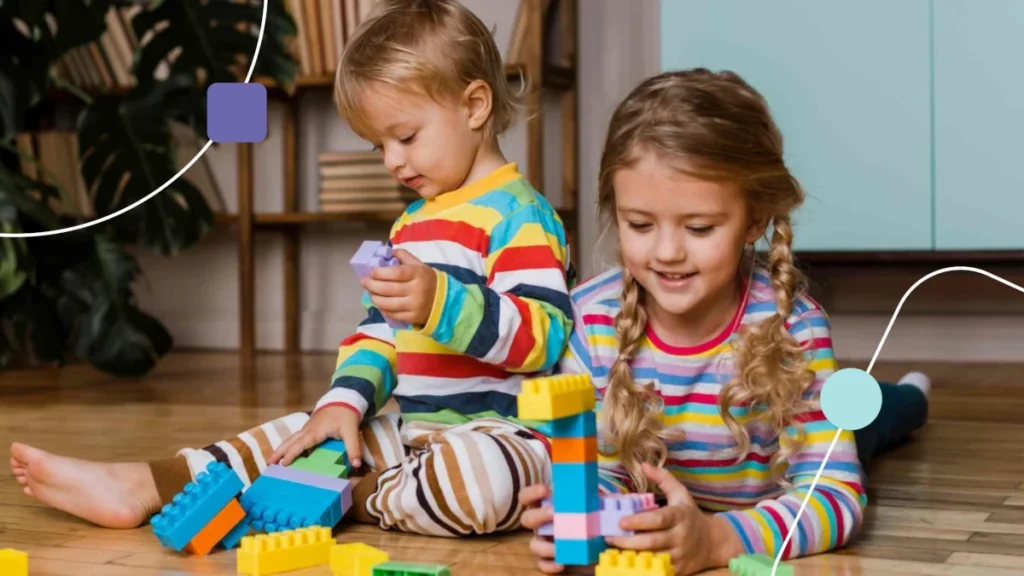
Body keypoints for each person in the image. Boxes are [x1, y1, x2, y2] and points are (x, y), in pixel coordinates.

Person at [10, 0, 573, 538]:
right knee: (297, 435)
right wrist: (341, 404)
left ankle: (350, 494)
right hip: (414, 433)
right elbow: (379, 334)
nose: (393, 161)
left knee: (484, 484)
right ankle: (149, 482)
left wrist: (439, 301)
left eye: (405, 137)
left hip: (505, 434)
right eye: (378, 146)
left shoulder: (520, 215)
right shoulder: (409, 227)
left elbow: (542, 339)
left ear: (474, 106)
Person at [516, 69, 929, 575]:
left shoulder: (795, 331)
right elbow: (602, 470)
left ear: (754, 220)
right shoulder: (591, 322)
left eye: (699, 227)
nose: (668, 252)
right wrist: (585, 517)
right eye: (640, 224)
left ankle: (913, 394)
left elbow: (836, 497)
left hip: (806, 445)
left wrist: (718, 539)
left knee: (881, 413)